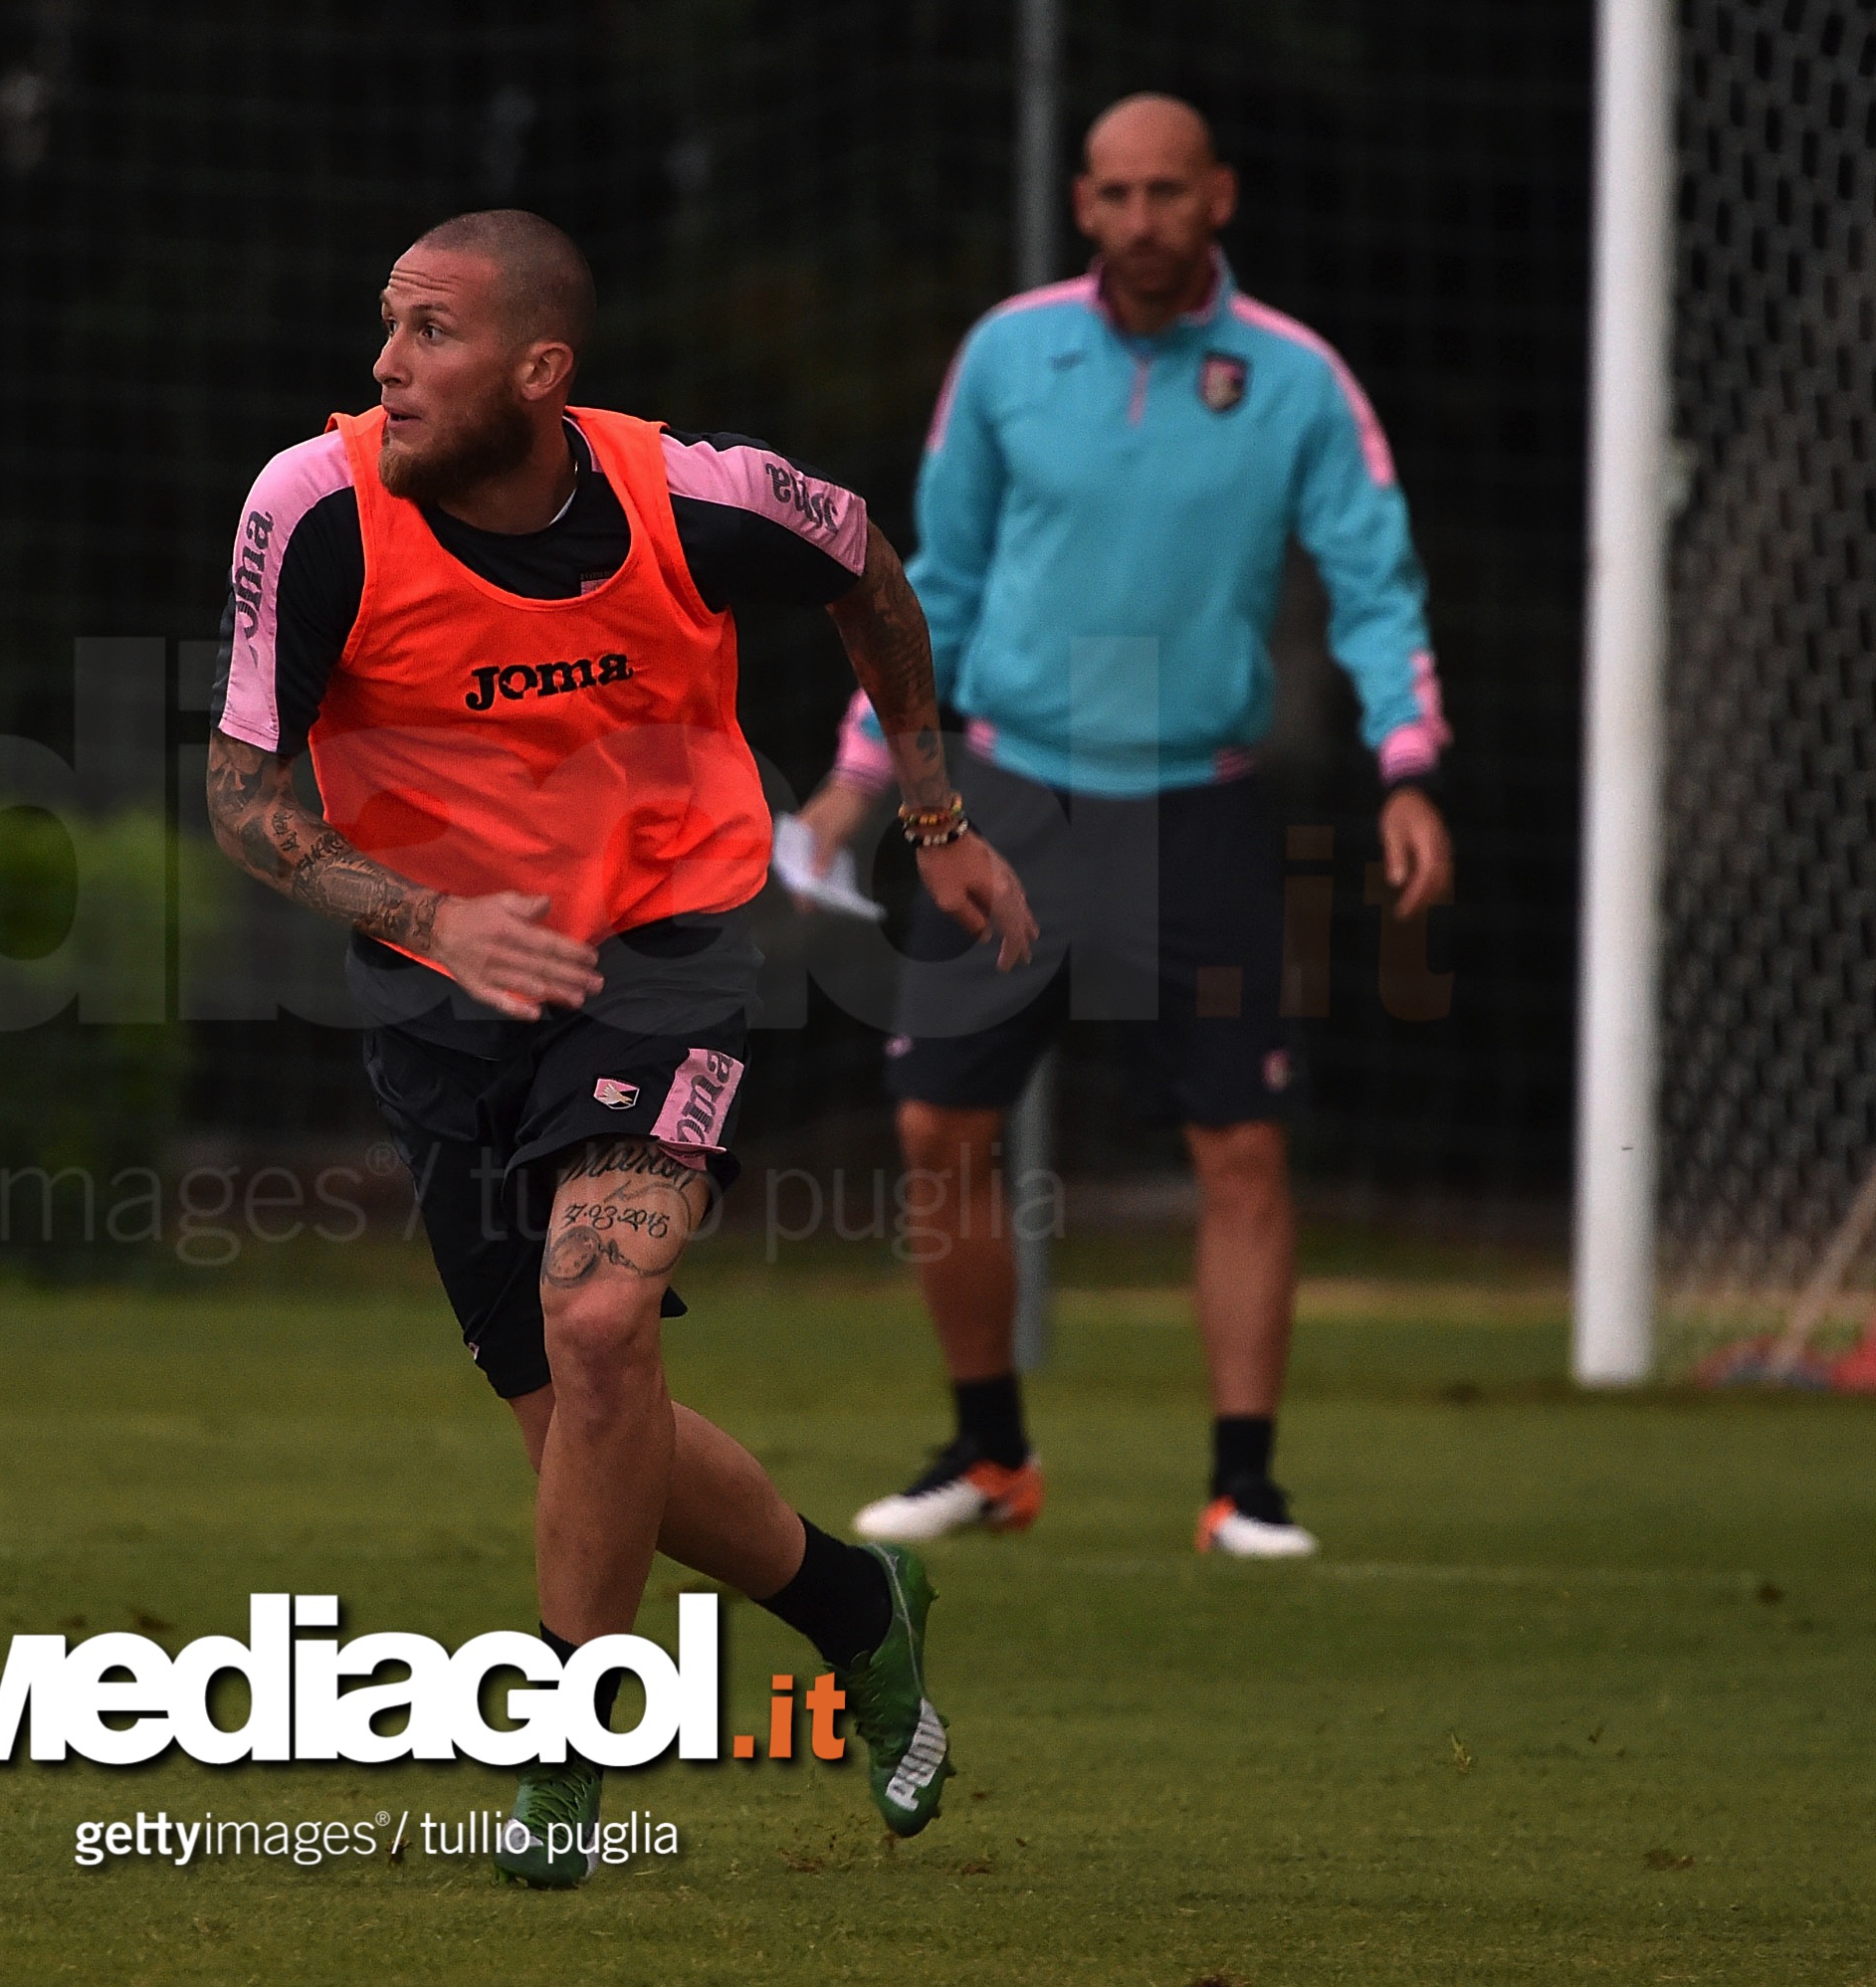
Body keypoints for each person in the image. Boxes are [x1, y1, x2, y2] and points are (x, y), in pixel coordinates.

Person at [205, 209, 1037, 1887]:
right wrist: (435, 921)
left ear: (540, 368)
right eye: (385, 327)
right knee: (587, 1423)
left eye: (429, 332)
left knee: (600, 1324)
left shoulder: (695, 499)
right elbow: (243, 796)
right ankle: (860, 1602)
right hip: (440, 996)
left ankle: (570, 1746)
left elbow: (867, 563)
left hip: (664, 950)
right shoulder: (313, 508)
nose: (385, 365)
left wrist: (931, 808)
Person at [785, 97, 1454, 1559]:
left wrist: (1409, 764)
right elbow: (926, 581)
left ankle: (1245, 1485)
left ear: (1220, 195)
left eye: (1170, 191)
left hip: (1202, 802)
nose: (1143, 218)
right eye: (1116, 193)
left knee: (1242, 1145)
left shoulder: (1295, 378)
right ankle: (991, 1454)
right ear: (1082, 205)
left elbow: (1376, 574)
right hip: (1006, 794)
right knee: (934, 1120)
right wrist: (859, 775)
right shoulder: (1011, 354)